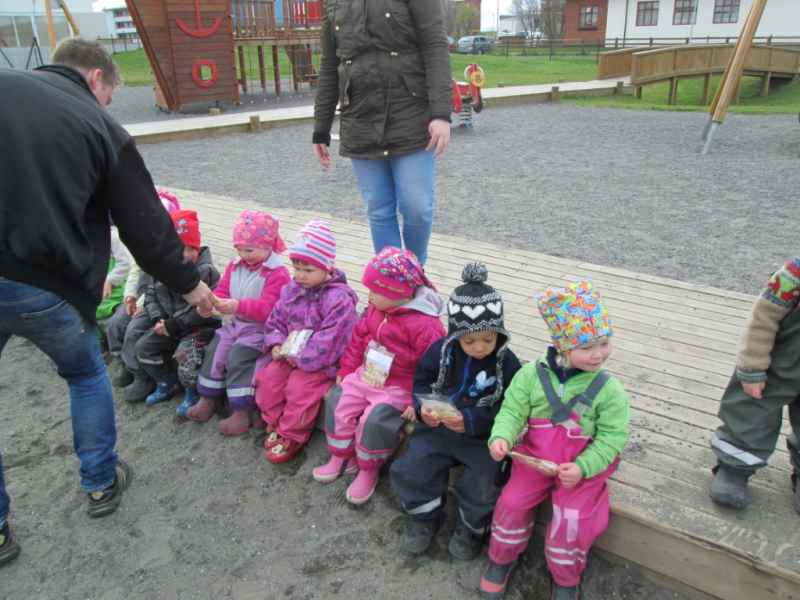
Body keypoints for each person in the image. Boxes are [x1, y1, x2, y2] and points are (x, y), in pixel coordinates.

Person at [0, 38, 216, 567]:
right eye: (111, 95)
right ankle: (99, 482)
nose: (108, 105)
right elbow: (145, 226)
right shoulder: (95, 123)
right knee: (83, 375)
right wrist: (192, 287)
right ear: (97, 78)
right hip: (46, 282)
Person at [478, 281, 630, 600]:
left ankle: (565, 577)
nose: (598, 354)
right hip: (535, 458)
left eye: (604, 343)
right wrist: (501, 436)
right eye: (587, 347)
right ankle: (501, 559)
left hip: (581, 467)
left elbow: (612, 437)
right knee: (511, 503)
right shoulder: (531, 375)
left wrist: (584, 466)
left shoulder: (609, 390)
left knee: (572, 519)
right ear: (562, 346)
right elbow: (512, 411)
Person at [390, 263, 522, 559]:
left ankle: (471, 527)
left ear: (499, 331)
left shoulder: (507, 363)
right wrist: (423, 409)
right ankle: (423, 516)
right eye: (469, 340)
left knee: (486, 479)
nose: (480, 348)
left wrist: (473, 421)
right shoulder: (440, 351)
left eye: (489, 339)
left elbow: (513, 405)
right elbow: (422, 381)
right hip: (438, 429)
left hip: (482, 436)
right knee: (414, 466)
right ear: (455, 333)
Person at [311, 0, 452, 266]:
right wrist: (321, 128)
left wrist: (440, 114)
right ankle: (390, 279)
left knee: (417, 207)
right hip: (360, 117)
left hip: (411, 114)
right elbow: (330, 65)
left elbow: (434, 46)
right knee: (378, 209)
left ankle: (415, 272)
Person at [313, 247, 446, 505]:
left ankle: (368, 468)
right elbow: (358, 338)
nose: (369, 295)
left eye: (375, 290)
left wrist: (418, 400)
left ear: (397, 292)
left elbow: (434, 367)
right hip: (368, 373)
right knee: (338, 401)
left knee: (373, 420)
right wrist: (347, 369)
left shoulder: (426, 326)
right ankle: (341, 455)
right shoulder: (376, 309)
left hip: (399, 385)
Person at [255, 220, 359, 463]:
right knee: (269, 378)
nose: (300, 275)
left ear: (327, 267)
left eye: (308, 270)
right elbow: (277, 318)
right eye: (296, 267)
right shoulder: (292, 289)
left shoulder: (338, 300)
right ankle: (275, 421)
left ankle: (292, 434)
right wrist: (276, 343)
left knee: (300, 389)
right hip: (289, 353)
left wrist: (299, 357)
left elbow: (331, 340)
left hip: (321, 363)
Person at [710, 258, 800, 513]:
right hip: (778, 364)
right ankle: (734, 467)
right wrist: (752, 367)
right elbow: (762, 320)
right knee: (749, 414)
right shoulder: (794, 274)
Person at [190, 210, 291, 433]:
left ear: (267, 245)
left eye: (249, 250)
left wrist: (238, 306)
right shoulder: (235, 266)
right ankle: (208, 398)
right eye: (239, 249)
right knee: (215, 349)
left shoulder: (277, 273)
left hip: (261, 329)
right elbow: (223, 290)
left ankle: (241, 410)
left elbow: (270, 308)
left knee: (239, 357)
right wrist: (212, 304)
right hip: (234, 324)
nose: (244, 255)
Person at [126, 210, 221, 406]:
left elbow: (203, 310)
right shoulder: (164, 268)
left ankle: (192, 391)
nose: (184, 255)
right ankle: (166, 381)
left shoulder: (206, 272)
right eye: (178, 250)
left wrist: (172, 325)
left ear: (197, 247)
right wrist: (158, 319)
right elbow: (151, 294)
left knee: (185, 355)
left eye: (190, 249)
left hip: (198, 327)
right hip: (169, 325)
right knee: (144, 347)